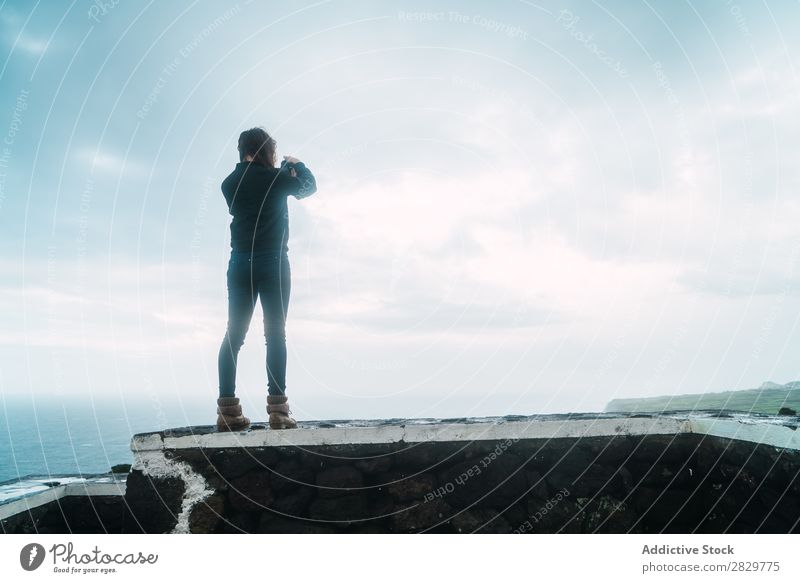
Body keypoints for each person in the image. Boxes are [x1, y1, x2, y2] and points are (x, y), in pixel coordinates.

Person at [215, 127, 317, 431]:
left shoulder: (228, 184)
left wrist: (280, 172)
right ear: (264, 150)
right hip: (272, 262)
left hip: (239, 264)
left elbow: (253, 190)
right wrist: (295, 165)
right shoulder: (276, 179)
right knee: (275, 334)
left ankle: (227, 413)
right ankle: (278, 411)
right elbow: (308, 187)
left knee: (234, 336)